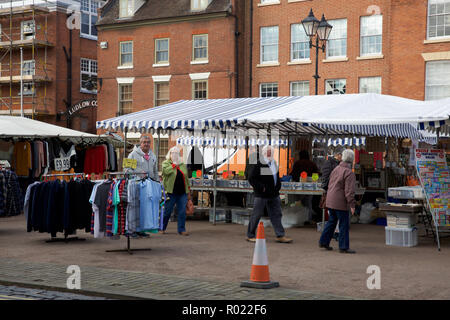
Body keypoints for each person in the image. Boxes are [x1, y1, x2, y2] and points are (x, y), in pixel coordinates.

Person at [247, 145, 292, 243]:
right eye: (268, 152)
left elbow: (276, 177)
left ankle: (280, 235)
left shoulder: (274, 163)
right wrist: (261, 188)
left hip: (274, 194)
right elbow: (251, 178)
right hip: (262, 195)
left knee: (276, 214)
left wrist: (278, 186)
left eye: (271, 152)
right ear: (263, 153)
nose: (270, 154)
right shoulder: (259, 164)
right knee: (257, 214)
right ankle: (250, 235)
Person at [318, 149, 356, 253]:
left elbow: (330, 183)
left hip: (331, 200)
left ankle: (323, 241)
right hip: (340, 202)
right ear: (352, 159)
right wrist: (352, 205)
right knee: (344, 224)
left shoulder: (336, 168)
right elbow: (349, 191)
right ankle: (343, 247)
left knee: (331, 222)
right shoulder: (349, 172)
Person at [127, 135, 158, 238]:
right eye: (144, 142)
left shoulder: (153, 156)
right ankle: (132, 230)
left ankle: (141, 229)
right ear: (140, 143)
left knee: (145, 209)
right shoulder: (132, 155)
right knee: (135, 209)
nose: (146, 144)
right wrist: (140, 172)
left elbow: (155, 171)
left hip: (149, 186)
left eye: (148, 142)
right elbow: (127, 170)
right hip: (136, 186)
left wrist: (157, 182)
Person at [161, 146, 190, 236]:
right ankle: (162, 228)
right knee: (167, 211)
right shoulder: (166, 163)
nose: (174, 155)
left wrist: (188, 191)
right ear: (169, 154)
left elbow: (186, 178)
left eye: (177, 153)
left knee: (182, 212)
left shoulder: (182, 165)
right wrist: (174, 165)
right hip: (170, 192)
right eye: (173, 153)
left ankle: (181, 229)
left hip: (182, 192)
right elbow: (165, 172)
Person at [320, 146, 344, 240]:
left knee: (334, 215)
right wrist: (327, 188)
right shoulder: (329, 163)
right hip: (331, 191)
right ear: (338, 155)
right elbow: (325, 178)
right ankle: (332, 234)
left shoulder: (340, 163)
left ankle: (333, 233)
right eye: (342, 155)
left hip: (337, 191)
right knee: (333, 215)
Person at [290, 150, 320, 223]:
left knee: (297, 202)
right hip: (310, 187)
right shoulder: (312, 164)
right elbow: (316, 175)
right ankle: (308, 219)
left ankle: (298, 219)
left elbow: (293, 174)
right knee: (308, 203)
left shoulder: (297, 163)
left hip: (298, 186)